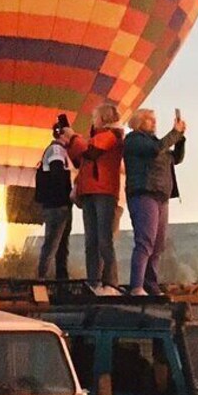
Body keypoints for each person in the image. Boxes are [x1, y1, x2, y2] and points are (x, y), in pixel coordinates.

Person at [123, 108, 186, 296]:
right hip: (144, 193)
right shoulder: (134, 140)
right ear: (139, 121)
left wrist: (180, 138)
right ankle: (136, 286)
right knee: (145, 241)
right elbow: (154, 150)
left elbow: (177, 158)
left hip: (161, 196)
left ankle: (151, 285)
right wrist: (174, 133)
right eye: (149, 119)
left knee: (158, 245)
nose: (154, 122)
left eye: (154, 119)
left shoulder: (156, 143)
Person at [68, 104, 124, 296]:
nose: (92, 120)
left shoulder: (111, 136)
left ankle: (111, 283)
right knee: (91, 240)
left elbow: (91, 153)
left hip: (104, 191)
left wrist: (73, 137)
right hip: (89, 191)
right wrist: (70, 143)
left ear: (103, 118)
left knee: (103, 239)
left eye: (94, 117)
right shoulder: (94, 138)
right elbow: (81, 161)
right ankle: (94, 282)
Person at [35, 122, 74, 279]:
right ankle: (43, 278)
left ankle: (60, 277)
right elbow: (57, 174)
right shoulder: (57, 150)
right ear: (63, 134)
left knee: (59, 243)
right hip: (58, 205)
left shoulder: (55, 150)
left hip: (55, 204)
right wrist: (67, 197)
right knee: (54, 243)